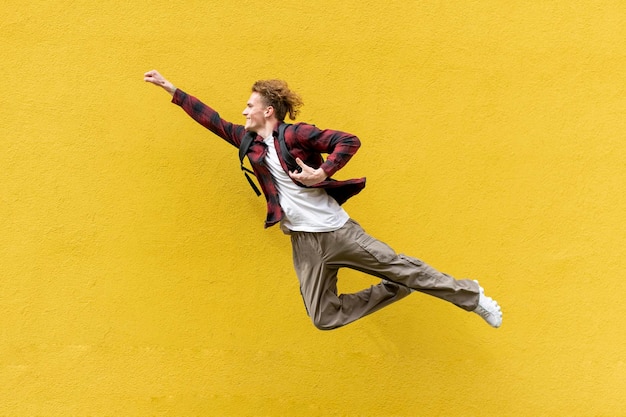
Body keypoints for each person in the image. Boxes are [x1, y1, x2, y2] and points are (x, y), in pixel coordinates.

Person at [143, 70, 503, 330]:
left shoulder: (296, 134)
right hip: (305, 243)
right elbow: (211, 119)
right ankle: (394, 288)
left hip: (338, 232)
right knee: (324, 317)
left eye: (249, 105)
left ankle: (473, 297)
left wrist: (323, 172)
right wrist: (171, 89)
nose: (243, 112)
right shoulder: (247, 142)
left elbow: (348, 140)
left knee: (405, 267)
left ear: (268, 111)